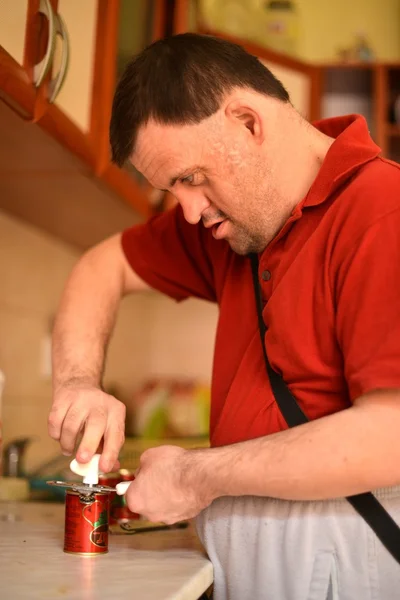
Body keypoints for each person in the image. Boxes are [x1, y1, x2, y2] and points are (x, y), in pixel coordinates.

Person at [48, 33, 400, 600]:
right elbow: (100, 267)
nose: (187, 210)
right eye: (170, 189)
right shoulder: (230, 224)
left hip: (345, 555)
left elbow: (392, 436)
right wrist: (77, 384)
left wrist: (195, 475)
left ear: (247, 122)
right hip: (260, 553)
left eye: (190, 177)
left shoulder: (384, 210)